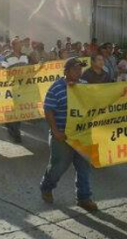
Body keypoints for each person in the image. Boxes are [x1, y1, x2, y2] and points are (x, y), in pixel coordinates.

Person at [40, 57, 98, 212]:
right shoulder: (56, 87)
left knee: (84, 167)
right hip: (62, 136)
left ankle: (84, 198)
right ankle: (47, 186)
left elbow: (95, 104)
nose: (79, 72)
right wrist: (55, 131)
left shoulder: (84, 86)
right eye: (75, 69)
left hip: (81, 135)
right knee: (58, 166)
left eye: (80, 69)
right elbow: (48, 109)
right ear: (66, 71)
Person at [2, 38, 29, 143]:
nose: (21, 46)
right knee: (14, 109)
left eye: (21, 44)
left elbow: (29, 69)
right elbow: (3, 72)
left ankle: (13, 128)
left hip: (23, 87)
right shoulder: (7, 58)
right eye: (18, 44)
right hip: (13, 87)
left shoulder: (25, 57)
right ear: (13, 46)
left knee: (20, 109)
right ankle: (16, 133)